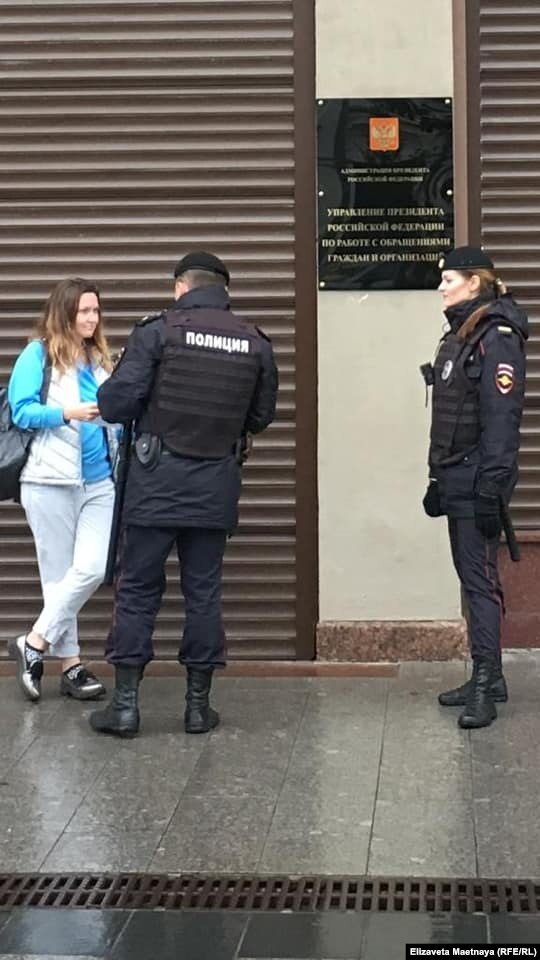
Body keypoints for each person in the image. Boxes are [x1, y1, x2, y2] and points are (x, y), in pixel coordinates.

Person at [89, 251, 278, 738]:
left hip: (154, 485)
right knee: (203, 593)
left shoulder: (157, 332)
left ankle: (125, 707)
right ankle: (197, 708)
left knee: (137, 591)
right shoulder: (254, 342)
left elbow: (116, 403)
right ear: (224, 290)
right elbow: (261, 417)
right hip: (215, 487)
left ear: (180, 287)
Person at [421, 246, 527, 729]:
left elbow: (502, 421)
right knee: (471, 577)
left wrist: (491, 488)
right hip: (457, 476)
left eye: (449, 279)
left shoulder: (496, 338)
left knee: (480, 582)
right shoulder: (462, 333)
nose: (441, 287)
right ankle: (490, 674)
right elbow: (450, 417)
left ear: (475, 283)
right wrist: (436, 477)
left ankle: (485, 685)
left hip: (479, 479)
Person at [7, 278, 117, 703]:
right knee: (57, 578)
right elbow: (21, 411)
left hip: (99, 482)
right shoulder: (38, 354)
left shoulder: (99, 359)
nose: (92, 318)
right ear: (64, 313)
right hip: (48, 481)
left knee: (91, 569)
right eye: (83, 311)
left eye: (96, 311)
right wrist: (66, 412)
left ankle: (33, 642)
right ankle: (71, 666)